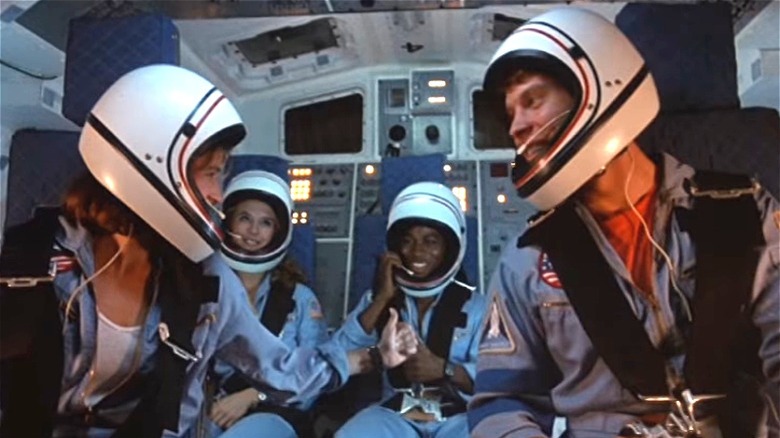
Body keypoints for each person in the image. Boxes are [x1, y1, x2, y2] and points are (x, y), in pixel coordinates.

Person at [0, 65, 417, 438]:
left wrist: (376, 357)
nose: (220, 195)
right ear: (150, 163)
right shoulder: (30, 264)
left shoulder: (208, 281)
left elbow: (283, 370)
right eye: (211, 174)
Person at [467, 7, 779, 438]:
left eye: (533, 100)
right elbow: (501, 402)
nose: (517, 127)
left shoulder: (746, 212)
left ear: (600, 84)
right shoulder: (527, 260)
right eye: (510, 115)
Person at [333, 182, 488, 438]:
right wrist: (382, 299)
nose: (417, 251)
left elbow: (498, 381)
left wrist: (444, 369)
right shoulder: (378, 302)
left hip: (459, 417)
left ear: (449, 248)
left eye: (431, 241)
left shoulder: (477, 308)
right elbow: (336, 359)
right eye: (408, 241)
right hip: (394, 415)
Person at [208, 170, 328, 438]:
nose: (253, 230)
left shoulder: (299, 299)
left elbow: (314, 377)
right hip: (212, 407)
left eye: (265, 223)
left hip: (276, 413)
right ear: (228, 224)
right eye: (244, 219)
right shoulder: (206, 289)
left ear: (278, 232)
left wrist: (254, 395)